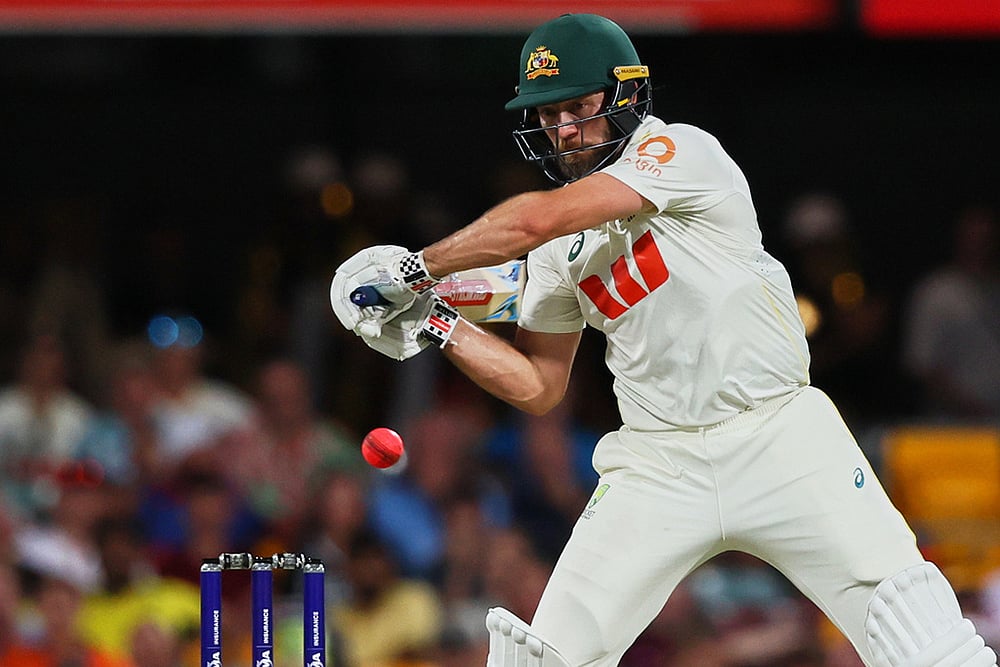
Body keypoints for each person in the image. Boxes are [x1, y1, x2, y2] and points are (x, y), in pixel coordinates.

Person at [330, 13, 995, 667]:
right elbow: (538, 386)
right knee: (546, 657)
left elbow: (531, 221)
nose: (562, 129)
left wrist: (414, 269)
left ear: (626, 94)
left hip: (779, 435)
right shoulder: (563, 249)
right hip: (658, 464)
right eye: (547, 114)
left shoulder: (678, 150)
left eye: (577, 106)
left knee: (924, 640)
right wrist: (434, 320)